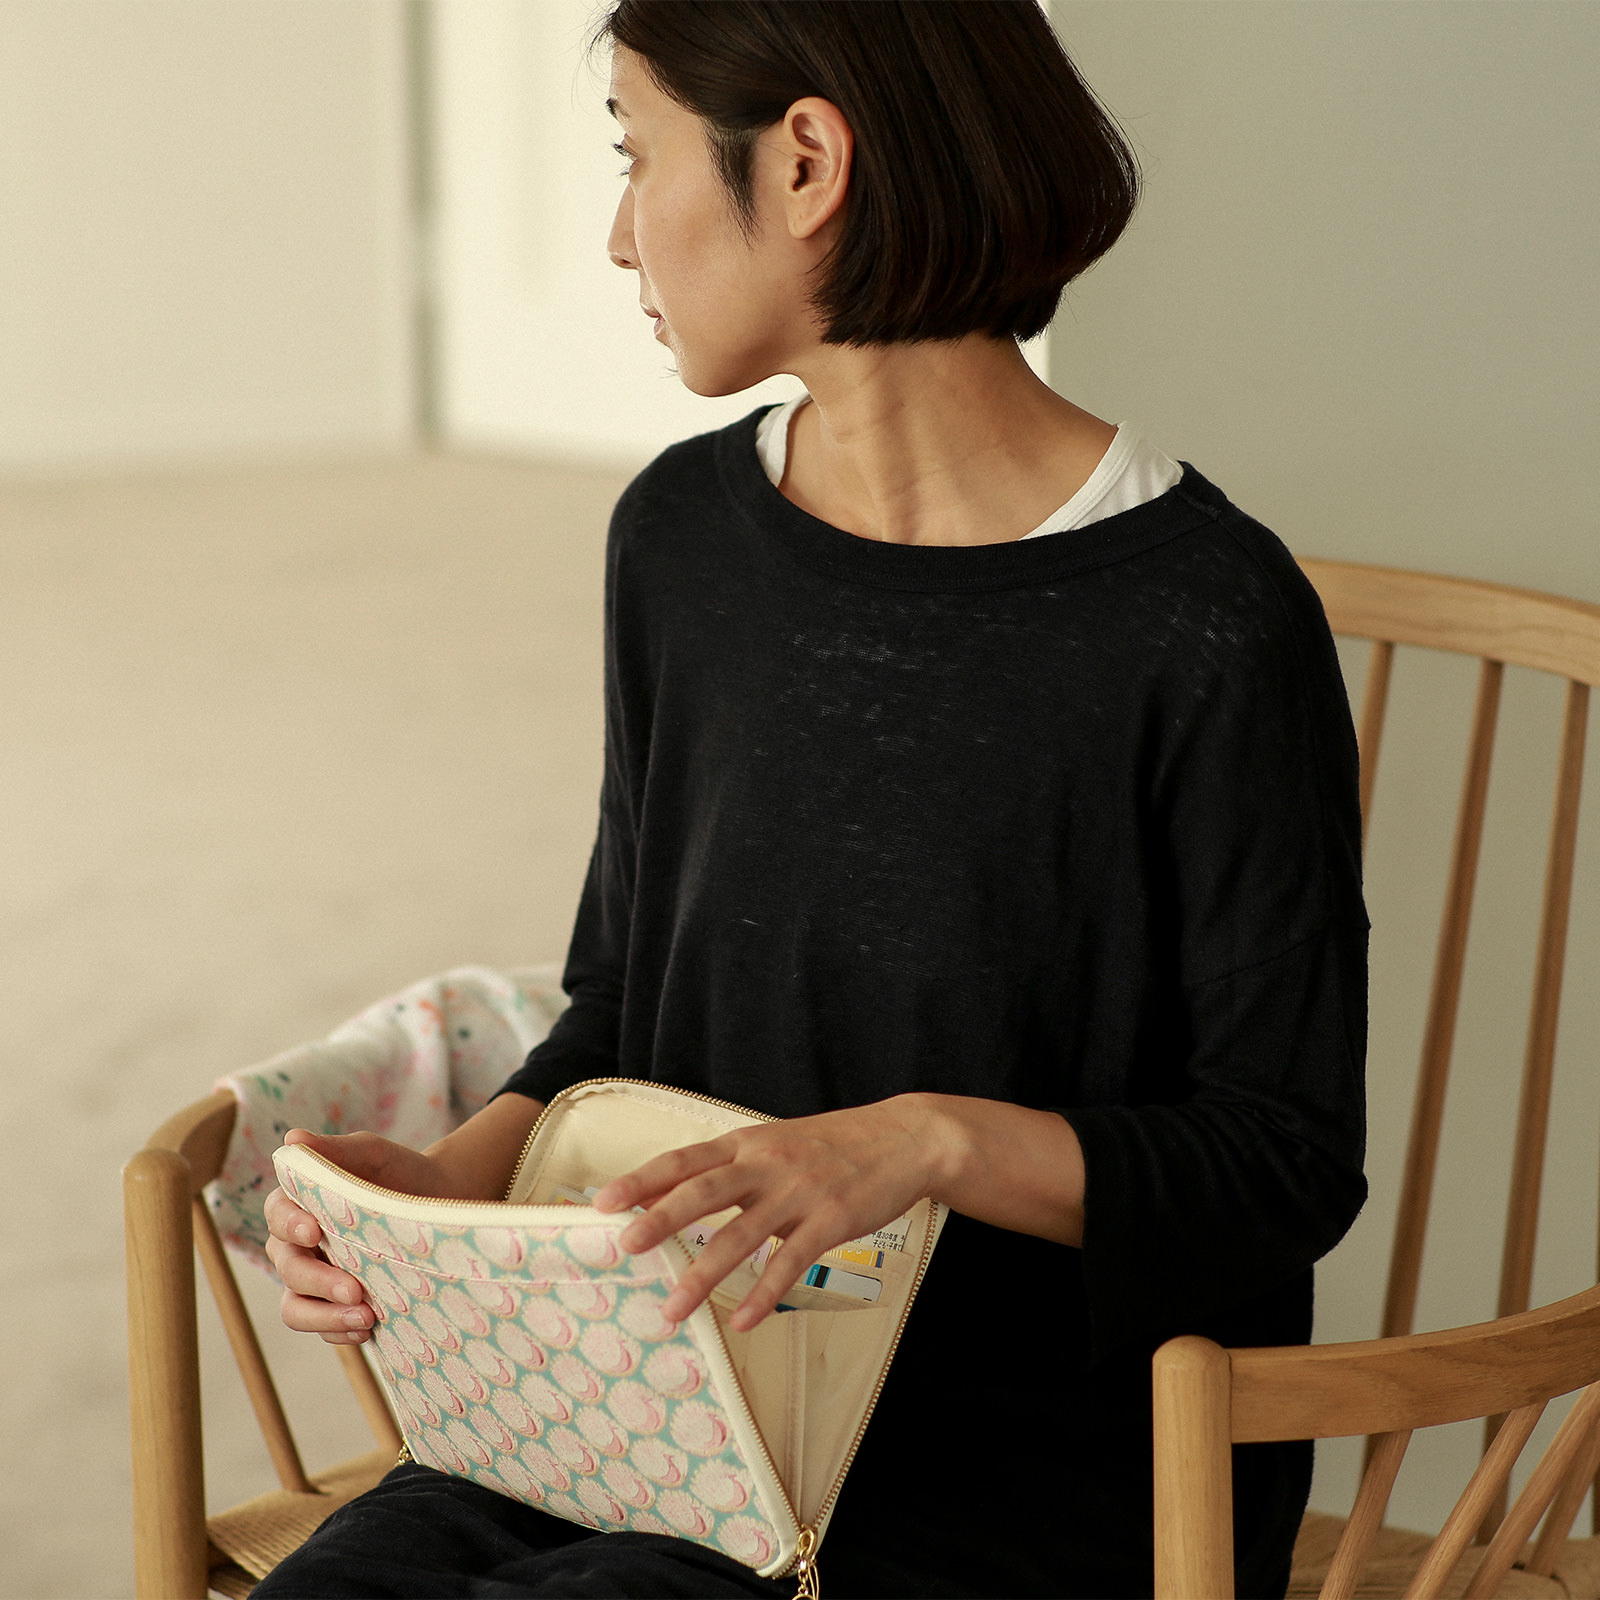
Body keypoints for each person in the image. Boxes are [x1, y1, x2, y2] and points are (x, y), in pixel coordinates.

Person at [256, 3, 1368, 1596]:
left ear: (804, 163)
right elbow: (624, 1004)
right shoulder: (679, 540)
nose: (618, 235)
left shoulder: (1205, 616)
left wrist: (926, 1145)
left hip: (1018, 1467)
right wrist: (452, 1181)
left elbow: (1279, 1164)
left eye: (636, 157)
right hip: (655, 1400)